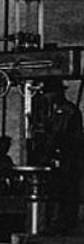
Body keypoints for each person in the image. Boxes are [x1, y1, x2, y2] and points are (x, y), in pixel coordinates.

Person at [38, 79, 84, 234]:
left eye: (48, 94)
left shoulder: (66, 110)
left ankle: (62, 224)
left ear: (56, 93)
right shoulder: (56, 110)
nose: (46, 97)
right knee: (61, 192)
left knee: (66, 192)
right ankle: (59, 223)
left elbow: (57, 136)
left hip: (70, 159)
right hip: (65, 158)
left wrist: (46, 154)